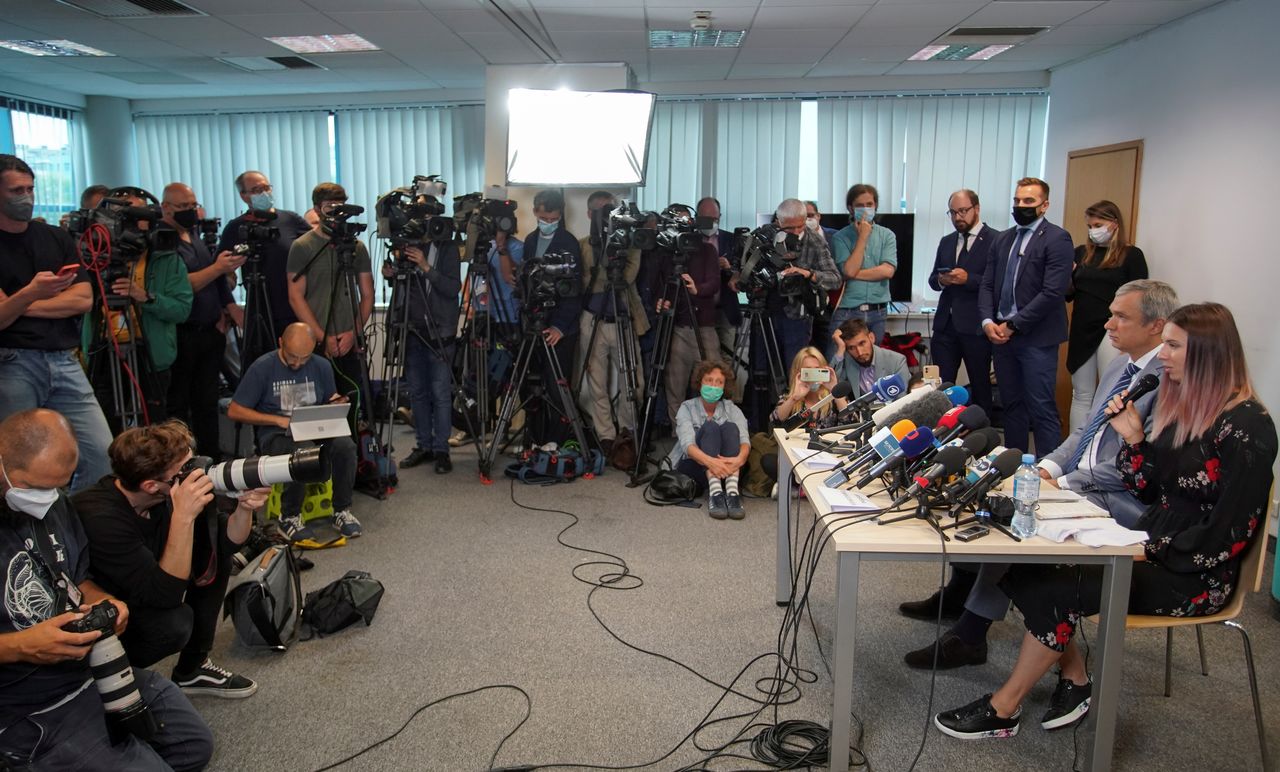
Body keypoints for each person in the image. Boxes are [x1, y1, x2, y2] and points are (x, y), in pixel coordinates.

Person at [935, 302, 1276, 739]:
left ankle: (1004, 710)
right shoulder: (1189, 407)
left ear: (1208, 352)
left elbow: (1229, 534)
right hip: (1150, 544)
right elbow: (1150, 489)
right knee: (1023, 568)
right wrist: (1134, 439)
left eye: (1173, 345)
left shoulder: (1248, 426)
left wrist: (1148, 550)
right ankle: (1075, 679)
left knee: (1055, 589)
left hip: (1195, 571)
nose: (1164, 353)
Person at [900, 280, 1178, 670]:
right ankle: (960, 592)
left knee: (1015, 520)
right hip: (1084, 484)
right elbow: (1086, 431)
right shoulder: (1120, 365)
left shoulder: (1169, 384)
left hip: (1119, 503)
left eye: (1120, 316)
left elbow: (1140, 468)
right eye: (1111, 314)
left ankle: (970, 633)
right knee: (986, 493)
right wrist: (1048, 467)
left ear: (1156, 325)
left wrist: (1064, 483)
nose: (1108, 324)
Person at [0, 408, 213, 770]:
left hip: (84, 673)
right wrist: (22, 646)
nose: (49, 496)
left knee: (193, 746)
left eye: (60, 485)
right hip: (24, 704)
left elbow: (77, 578)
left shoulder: (55, 506)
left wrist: (104, 602)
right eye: (37, 486)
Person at [74, 421, 266, 697]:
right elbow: (166, 596)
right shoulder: (99, 516)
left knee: (214, 556)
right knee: (175, 624)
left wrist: (245, 508)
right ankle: (105, 682)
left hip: (148, 588)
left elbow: (227, 541)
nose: (196, 473)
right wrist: (183, 517)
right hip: (111, 618)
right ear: (152, 485)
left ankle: (192, 669)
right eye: (185, 470)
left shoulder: (166, 492)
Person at [0, 154, 113, 491]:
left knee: (100, 454)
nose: (26, 197)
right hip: (13, 362)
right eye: (16, 190)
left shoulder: (54, 237)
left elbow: (83, 299)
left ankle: (71, 528)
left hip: (64, 359)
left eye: (30, 188)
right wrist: (33, 293)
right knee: (16, 465)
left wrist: (20, 302)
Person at [227, 323, 361, 542]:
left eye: (304, 357)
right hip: (276, 434)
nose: (298, 363)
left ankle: (341, 509)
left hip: (313, 427)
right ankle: (289, 516)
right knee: (304, 452)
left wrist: (337, 402)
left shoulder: (321, 365)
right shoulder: (262, 368)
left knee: (345, 446)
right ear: (281, 343)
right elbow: (235, 410)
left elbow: (329, 396)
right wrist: (278, 420)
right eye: (292, 357)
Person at [81, 188, 193, 429]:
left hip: (151, 356)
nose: (132, 223)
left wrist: (145, 297)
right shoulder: (92, 257)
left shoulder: (167, 258)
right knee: (104, 429)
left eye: (138, 215)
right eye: (124, 216)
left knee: (154, 429)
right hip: (103, 353)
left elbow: (181, 309)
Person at [978, 177, 1073, 457]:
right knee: (1011, 405)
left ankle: (1048, 472)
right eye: (1017, 200)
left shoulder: (1058, 238)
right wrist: (988, 322)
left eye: (1028, 201)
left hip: (1036, 338)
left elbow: (1052, 292)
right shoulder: (1002, 239)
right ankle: (1014, 464)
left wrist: (1014, 325)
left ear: (1044, 205)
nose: (1021, 206)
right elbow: (987, 284)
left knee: (1041, 407)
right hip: (1001, 338)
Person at [164, 182, 244, 460]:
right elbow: (181, 285)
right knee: (180, 404)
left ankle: (211, 460)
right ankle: (181, 460)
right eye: (183, 207)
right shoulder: (164, 241)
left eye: (192, 206)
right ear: (166, 208)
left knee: (207, 403)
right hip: (182, 334)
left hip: (211, 332)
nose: (190, 212)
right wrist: (217, 268)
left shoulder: (193, 235)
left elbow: (216, 281)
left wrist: (228, 307)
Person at [287, 182, 375, 429]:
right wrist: (321, 336)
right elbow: (295, 295)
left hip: (350, 340)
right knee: (319, 408)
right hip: (316, 341)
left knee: (354, 403)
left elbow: (367, 294)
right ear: (317, 209)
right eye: (329, 207)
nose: (335, 212)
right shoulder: (303, 246)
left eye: (340, 205)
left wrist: (354, 332)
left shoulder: (356, 247)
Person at [385, 213, 462, 475]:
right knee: (417, 392)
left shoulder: (447, 246)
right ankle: (424, 445)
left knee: (440, 394)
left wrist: (426, 267)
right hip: (410, 330)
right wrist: (392, 274)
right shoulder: (405, 245)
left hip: (439, 332)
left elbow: (453, 288)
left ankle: (441, 449)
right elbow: (405, 286)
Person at [1067, 200, 1148, 431]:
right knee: (1081, 394)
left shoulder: (1131, 255)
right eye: (1090, 225)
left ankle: (1101, 448)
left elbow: (1139, 296)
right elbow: (1068, 293)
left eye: (1098, 224)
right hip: (1082, 328)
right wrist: (1066, 277)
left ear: (1114, 224)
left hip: (1114, 329)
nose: (1093, 230)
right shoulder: (1081, 253)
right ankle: (1075, 449)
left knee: (1111, 391)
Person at [579, 194, 648, 452]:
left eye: (610, 210)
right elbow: (585, 282)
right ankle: (606, 437)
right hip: (592, 319)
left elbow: (626, 277)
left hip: (624, 319)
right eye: (600, 211)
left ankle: (627, 432)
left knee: (633, 381)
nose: (605, 215)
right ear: (589, 214)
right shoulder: (583, 245)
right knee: (597, 382)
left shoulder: (630, 243)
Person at [519, 189, 584, 446]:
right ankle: (533, 439)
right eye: (543, 216)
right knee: (532, 386)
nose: (547, 221)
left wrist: (559, 327)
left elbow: (574, 290)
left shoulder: (569, 242)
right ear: (535, 211)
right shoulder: (529, 240)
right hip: (533, 322)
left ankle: (555, 441)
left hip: (561, 328)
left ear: (560, 215)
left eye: (552, 217)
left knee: (557, 388)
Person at [218, 170, 310, 343]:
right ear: (244, 196)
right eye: (256, 190)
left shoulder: (290, 220)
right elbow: (218, 271)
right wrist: (232, 307)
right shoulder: (236, 228)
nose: (263, 193)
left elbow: (317, 247)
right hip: (257, 310)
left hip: (293, 309)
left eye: (266, 187)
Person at [758, 198, 841, 384]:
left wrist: (808, 274)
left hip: (797, 316)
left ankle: (795, 407)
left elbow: (835, 279)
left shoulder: (815, 242)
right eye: (789, 228)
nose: (796, 232)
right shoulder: (766, 235)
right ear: (778, 222)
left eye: (800, 226)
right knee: (761, 371)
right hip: (764, 311)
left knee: (794, 371)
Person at [927, 189, 994, 413]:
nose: (958, 217)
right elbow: (932, 280)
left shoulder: (996, 239)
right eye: (953, 212)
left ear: (977, 209)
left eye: (963, 211)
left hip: (976, 326)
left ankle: (981, 437)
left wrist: (969, 279)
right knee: (940, 388)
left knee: (980, 385)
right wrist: (942, 280)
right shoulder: (947, 242)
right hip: (945, 326)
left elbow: (998, 283)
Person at [655, 205, 721, 427]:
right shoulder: (665, 252)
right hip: (677, 325)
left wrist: (697, 289)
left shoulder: (707, 250)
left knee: (712, 381)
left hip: (704, 326)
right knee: (675, 384)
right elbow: (660, 283)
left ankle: (711, 429)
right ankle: (679, 435)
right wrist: (660, 300)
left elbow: (714, 283)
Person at [667, 360, 750, 520]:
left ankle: (732, 494)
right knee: (710, 427)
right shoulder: (687, 407)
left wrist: (739, 460)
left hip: (728, 468)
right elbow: (687, 445)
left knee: (731, 427)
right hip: (694, 465)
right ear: (700, 383)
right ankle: (716, 494)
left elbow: (745, 441)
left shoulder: (731, 408)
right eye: (709, 380)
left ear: (724, 387)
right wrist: (712, 463)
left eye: (719, 382)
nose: (714, 386)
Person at [829, 183, 897, 351]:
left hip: (877, 311)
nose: (865, 209)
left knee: (872, 363)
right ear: (850, 208)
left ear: (876, 206)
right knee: (837, 359)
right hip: (847, 311)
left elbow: (887, 270)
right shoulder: (840, 237)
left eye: (869, 205)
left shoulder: (887, 235)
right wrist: (863, 237)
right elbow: (849, 270)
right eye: (860, 205)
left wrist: (853, 273)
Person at [696, 196, 741, 360]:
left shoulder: (731, 240)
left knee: (726, 358)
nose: (711, 223)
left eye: (714, 219)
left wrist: (729, 268)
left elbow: (742, 272)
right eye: (706, 219)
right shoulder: (689, 241)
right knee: (700, 358)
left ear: (720, 217)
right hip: (697, 310)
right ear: (697, 218)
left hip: (726, 309)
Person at [829, 317, 909, 400]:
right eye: (851, 348)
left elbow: (902, 400)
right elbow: (832, 384)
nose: (859, 352)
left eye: (862, 343)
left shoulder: (897, 361)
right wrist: (840, 349)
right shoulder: (847, 361)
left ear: (871, 338)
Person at [772, 346, 849, 429]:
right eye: (808, 371)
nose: (813, 375)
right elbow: (775, 422)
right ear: (798, 373)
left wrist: (835, 391)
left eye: (817, 369)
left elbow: (851, 422)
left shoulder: (834, 398)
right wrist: (794, 398)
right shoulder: (789, 397)